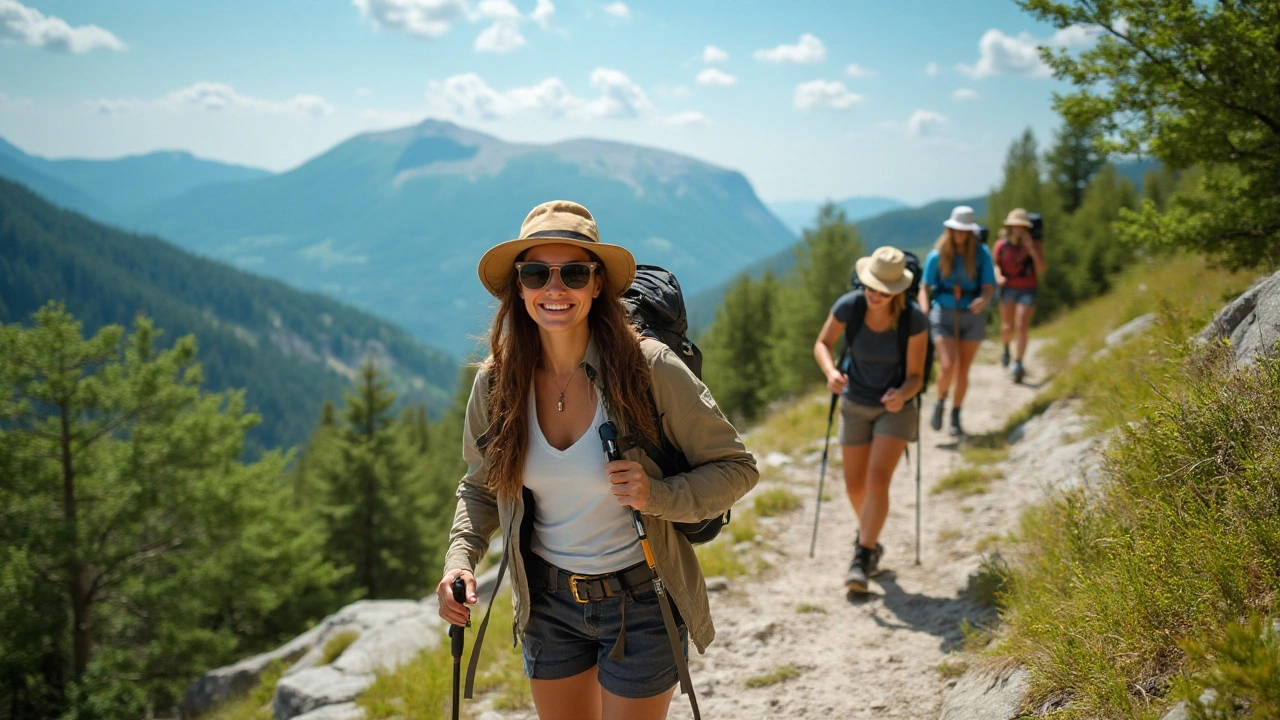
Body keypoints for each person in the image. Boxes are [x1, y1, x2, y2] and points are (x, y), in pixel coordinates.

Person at [436, 200, 758, 720]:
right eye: (536, 273)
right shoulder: (497, 382)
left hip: (644, 599)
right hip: (547, 603)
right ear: (519, 287)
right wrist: (459, 563)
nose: (554, 289)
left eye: (574, 273)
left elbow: (738, 468)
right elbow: (479, 488)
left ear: (598, 285)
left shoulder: (648, 368)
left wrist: (658, 495)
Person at [813, 246, 928, 593]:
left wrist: (902, 395)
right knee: (854, 486)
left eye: (883, 290)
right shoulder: (851, 305)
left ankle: (862, 556)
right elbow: (823, 343)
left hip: (894, 409)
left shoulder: (914, 320)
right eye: (870, 287)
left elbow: (916, 377)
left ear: (898, 292)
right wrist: (831, 371)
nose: (874, 295)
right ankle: (871, 538)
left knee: (877, 479)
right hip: (854, 404)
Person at [918, 206, 996, 438]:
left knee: (963, 370)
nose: (960, 235)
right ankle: (940, 400)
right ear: (949, 231)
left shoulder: (982, 254)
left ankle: (955, 413)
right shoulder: (937, 255)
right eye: (956, 230)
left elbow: (989, 287)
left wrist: (982, 301)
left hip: (971, 315)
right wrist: (924, 310)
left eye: (964, 231)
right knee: (948, 364)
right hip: (943, 313)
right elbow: (925, 286)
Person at [993, 208, 1047, 384]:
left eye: (1021, 226)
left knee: (1021, 325)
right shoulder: (1001, 245)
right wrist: (998, 276)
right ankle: (1006, 348)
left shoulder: (1034, 244)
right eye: (1014, 226)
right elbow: (996, 265)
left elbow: (1041, 268)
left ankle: (1018, 363)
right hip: (1008, 288)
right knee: (1007, 326)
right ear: (1010, 227)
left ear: (1026, 228)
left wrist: (1032, 250)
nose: (1017, 229)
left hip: (1028, 288)